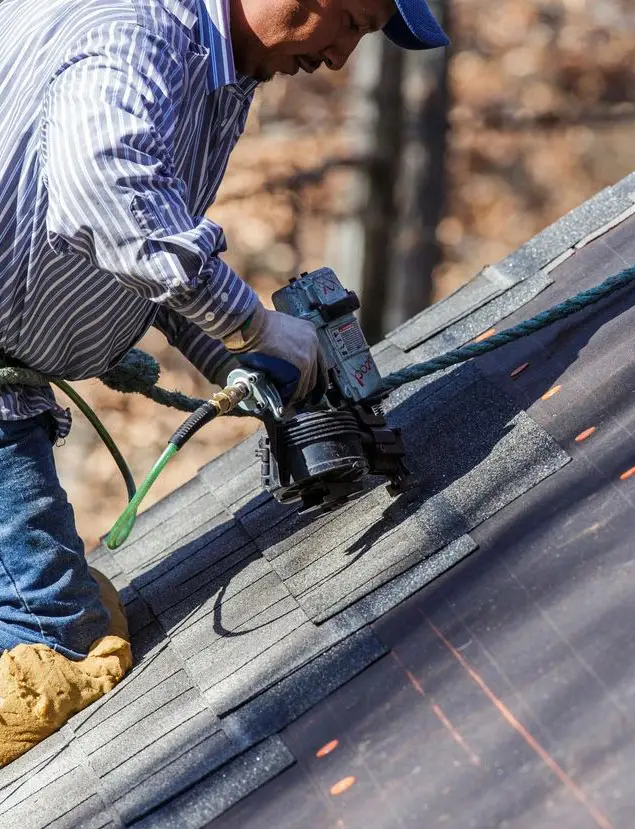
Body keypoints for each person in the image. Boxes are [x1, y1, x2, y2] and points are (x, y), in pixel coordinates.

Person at [0, 0, 448, 765]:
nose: (340, 56)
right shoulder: (135, 36)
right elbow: (106, 195)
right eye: (347, 19)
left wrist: (237, 351)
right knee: (64, 648)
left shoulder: (211, 66)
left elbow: (142, 235)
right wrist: (253, 326)